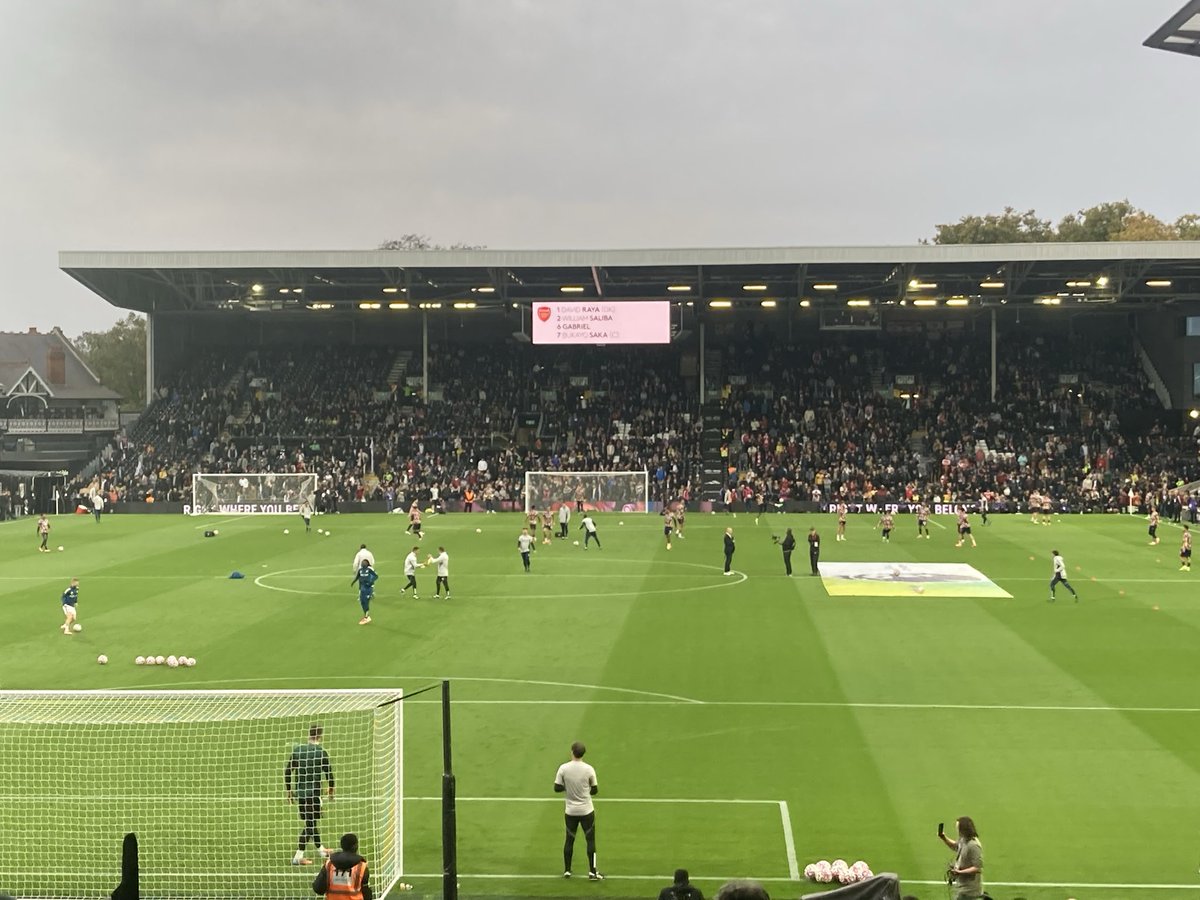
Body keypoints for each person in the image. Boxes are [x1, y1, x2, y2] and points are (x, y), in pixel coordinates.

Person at [285, 724, 334, 866]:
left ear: (309, 735)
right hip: (313, 793)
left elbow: (288, 771)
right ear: (320, 736)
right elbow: (328, 772)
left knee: (311, 821)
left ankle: (321, 850)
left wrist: (289, 790)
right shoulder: (321, 752)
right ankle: (297, 857)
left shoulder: (298, 750)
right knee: (310, 824)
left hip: (301, 794)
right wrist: (331, 787)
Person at [554, 741, 602, 880]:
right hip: (587, 811)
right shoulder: (589, 769)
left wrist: (567, 788)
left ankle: (567, 870)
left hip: (570, 811)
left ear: (572, 752)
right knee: (590, 841)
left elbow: (557, 787)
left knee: (569, 839)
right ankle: (593, 872)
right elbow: (595, 790)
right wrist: (585, 790)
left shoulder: (563, 768)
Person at [312, 832, 372, 900]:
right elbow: (366, 893)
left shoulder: (329, 864)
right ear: (356, 846)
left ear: (342, 846)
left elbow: (318, 889)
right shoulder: (361, 867)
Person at [938, 816, 983, 899]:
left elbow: (977, 867)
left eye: (958, 828)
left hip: (970, 890)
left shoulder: (974, 845)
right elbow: (956, 847)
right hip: (962, 887)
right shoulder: (963, 839)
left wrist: (960, 872)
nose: (957, 830)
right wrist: (943, 837)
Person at [350, 559, 378, 625]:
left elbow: (376, 576)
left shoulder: (369, 570)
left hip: (368, 589)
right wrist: (353, 582)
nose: (362, 564)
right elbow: (357, 577)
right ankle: (366, 615)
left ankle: (366, 617)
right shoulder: (360, 570)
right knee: (362, 602)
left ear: (366, 564)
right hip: (362, 589)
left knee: (366, 601)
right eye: (362, 563)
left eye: (363, 563)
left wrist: (371, 581)